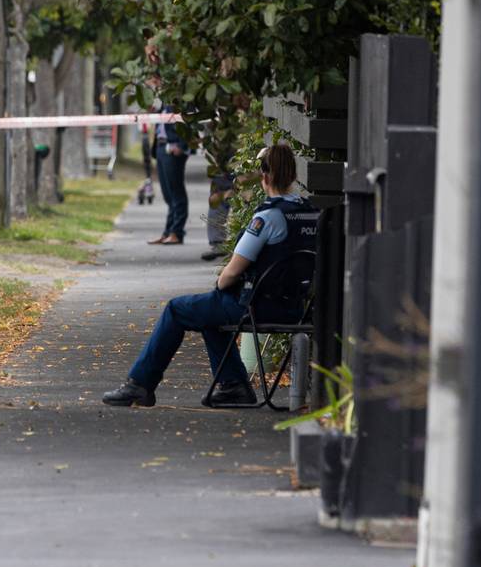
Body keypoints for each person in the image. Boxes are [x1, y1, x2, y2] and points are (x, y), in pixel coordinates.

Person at [102, 145, 319, 408]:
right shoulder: (312, 214)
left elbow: (231, 274)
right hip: (295, 308)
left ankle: (139, 384)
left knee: (177, 309)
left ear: (265, 175)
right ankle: (233, 386)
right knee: (207, 314)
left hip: (259, 307)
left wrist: (221, 284)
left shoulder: (269, 217)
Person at [148, 102, 190, 245]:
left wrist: (182, 146)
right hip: (160, 147)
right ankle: (168, 232)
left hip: (173, 148)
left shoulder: (179, 97)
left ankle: (176, 232)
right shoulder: (161, 101)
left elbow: (188, 121)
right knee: (167, 194)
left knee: (176, 191)